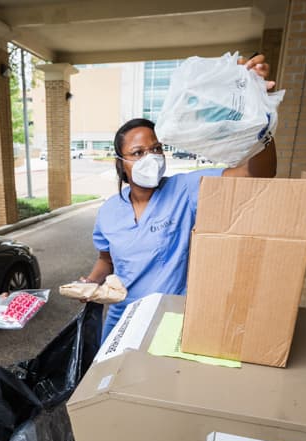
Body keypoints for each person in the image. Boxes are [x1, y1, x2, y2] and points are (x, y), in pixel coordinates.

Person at [84, 53, 278, 340]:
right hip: (120, 319)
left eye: (156, 149)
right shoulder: (110, 211)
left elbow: (256, 175)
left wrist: (260, 118)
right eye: (138, 153)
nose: (151, 157)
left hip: (170, 319)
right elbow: (106, 260)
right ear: (120, 163)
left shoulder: (184, 189)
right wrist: (89, 283)